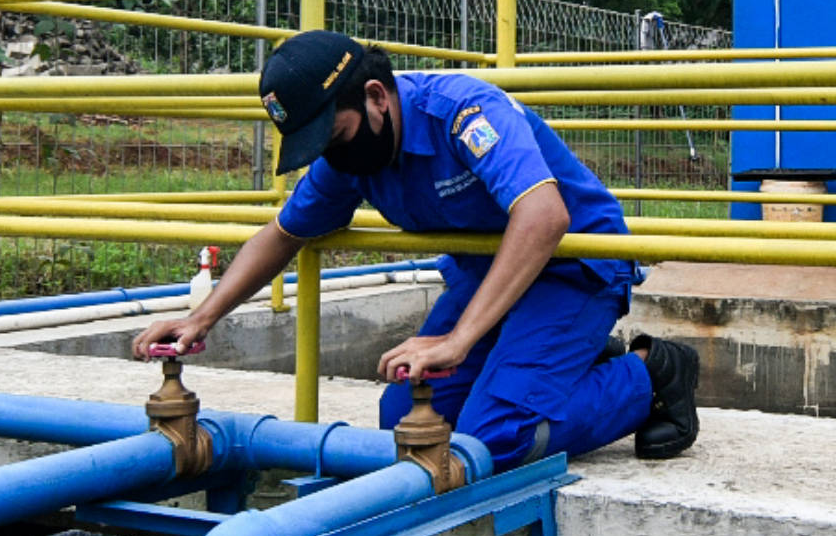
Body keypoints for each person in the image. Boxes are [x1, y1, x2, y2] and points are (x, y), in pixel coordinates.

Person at [131, 30, 701, 464]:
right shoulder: (352, 153)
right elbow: (284, 233)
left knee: (492, 441)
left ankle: (649, 373)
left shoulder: (463, 113)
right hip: (490, 278)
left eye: (335, 136)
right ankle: (565, 361)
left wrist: (458, 340)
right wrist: (202, 317)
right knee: (408, 420)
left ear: (376, 96)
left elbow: (543, 215)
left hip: (571, 269)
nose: (333, 157)